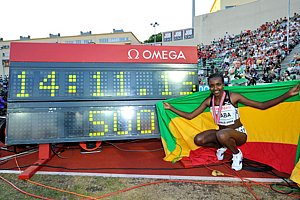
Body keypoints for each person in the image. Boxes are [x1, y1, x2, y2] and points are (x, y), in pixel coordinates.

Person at [163, 73, 300, 171]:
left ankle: (236, 154)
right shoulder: (209, 101)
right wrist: (171, 108)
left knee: (222, 135)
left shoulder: (233, 96)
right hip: (221, 133)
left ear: (223, 85)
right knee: (199, 139)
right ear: (208, 86)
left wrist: (288, 94)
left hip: (238, 134)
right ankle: (222, 147)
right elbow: (190, 116)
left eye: (218, 84)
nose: (215, 88)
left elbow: (262, 106)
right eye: (212, 86)